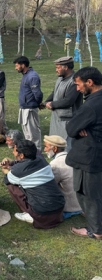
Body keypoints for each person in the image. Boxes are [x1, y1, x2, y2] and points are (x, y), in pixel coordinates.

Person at [66, 66, 102, 240]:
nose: (77, 89)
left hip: (89, 155)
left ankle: (95, 230)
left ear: (90, 82)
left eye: (79, 84)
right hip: (98, 153)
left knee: (87, 193)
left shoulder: (92, 104)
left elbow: (71, 127)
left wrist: (79, 126)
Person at [3, 140, 65, 229]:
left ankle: (30, 215)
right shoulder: (42, 161)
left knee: (12, 185)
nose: (13, 152)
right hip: (59, 208)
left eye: (14, 150)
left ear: (21, 155)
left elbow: (7, 179)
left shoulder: (17, 171)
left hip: (42, 214)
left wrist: (8, 169)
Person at [44, 56, 82, 152]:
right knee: (55, 147)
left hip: (67, 122)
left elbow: (68, 101)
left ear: (65, 67)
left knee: (66, 148)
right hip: (56, 120)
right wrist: (45, 102)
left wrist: (52, 105)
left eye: (58, 67)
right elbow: (54, 93)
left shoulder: (74, 81)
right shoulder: (60, 79)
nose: (56, 70)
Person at [43, 135, 82, 219]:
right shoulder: (73, 158)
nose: (44, 150)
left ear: (55, 149)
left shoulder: (55, 164)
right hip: (82, 203)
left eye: (46, 147)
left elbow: (50, 186)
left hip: (70, 207)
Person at [13, 56, 43, 150]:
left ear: (23, 65)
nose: (16, 68)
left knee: (33, 132)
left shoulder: (32, 76)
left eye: (17, 65)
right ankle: (29, 151)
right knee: (27, 132)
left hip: (30, 108)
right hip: (24, 107)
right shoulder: (26, 75)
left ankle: (36, 152)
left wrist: (36, 104)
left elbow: (37, 94)